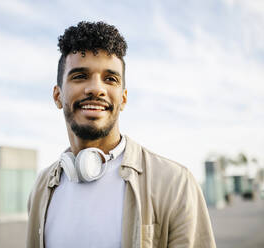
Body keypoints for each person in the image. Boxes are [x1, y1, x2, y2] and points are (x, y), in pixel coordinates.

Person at [27, 21, 216, 248]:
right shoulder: (41, 188)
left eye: (110, 79)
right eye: (79, 76)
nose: (96, 89)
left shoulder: (175, 185)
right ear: (57, 96)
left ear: (123, 98)